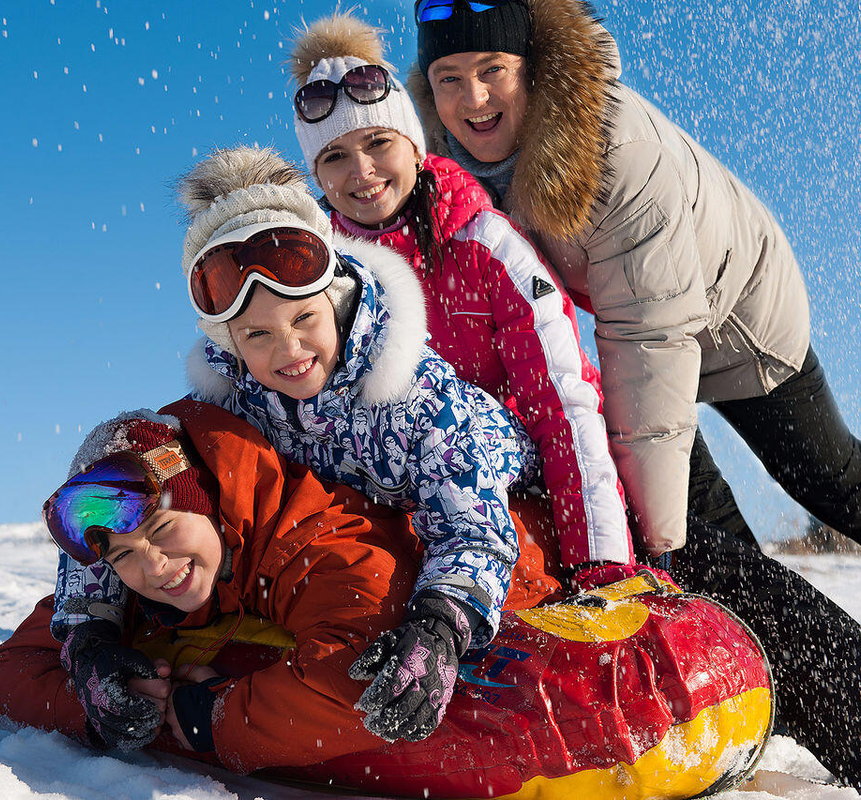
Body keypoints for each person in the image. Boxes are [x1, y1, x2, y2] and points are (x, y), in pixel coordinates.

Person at [406, 0, 861, 627]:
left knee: (830, 479)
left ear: (532, 66)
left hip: (736, 313)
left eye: (493, 68)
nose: (473, 98)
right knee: (697, 520)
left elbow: (648, 335)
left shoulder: (608, 149)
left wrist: (649, 550)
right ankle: (777, 665)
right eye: (450, 77)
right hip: (633, 322)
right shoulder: (439, 164)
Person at [0, 400, 775, 797]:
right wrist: (93, 674)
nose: (151, 565)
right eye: (122, 555)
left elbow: (350, 682)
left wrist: (191, 722)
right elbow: (7, 669)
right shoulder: (133, 588)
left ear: (207, 496)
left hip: (527, 567)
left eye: (161, 526)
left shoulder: (310, 536)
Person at [52, 144, 568, 746]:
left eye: (303, 320)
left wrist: (439, 624)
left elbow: (473, 526)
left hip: (502, 538)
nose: (288, 351)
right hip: (349, 564)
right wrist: (89, 636)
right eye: (258, 335)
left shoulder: (418, 402)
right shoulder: (231, 402)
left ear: (337, 295)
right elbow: (120, 495)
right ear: (230, 343)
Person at [286, 11, 639, 591]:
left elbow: (561, 403)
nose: (363, 171)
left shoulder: (482, 243)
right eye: (334, 157)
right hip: (388, 521)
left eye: (378, 142)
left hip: (516, 500)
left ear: (415, 146)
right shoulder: (315, 274)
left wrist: (596, 557)